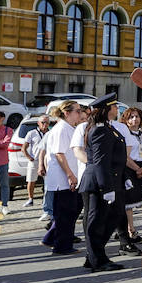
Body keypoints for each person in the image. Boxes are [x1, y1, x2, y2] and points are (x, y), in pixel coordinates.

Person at [75, 93, 127, 273]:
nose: (117, 109)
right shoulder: (99, 130)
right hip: (98, 183)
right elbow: (100, 162)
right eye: (114, 106)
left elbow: (115, 158)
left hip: (110, 179)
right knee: (96, 222)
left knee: (115, 215)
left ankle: (94, 255)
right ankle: (97, 259)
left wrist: (123, 178)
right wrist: (106, 188)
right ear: (107, 109)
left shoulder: (107, 127)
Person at [39, 101, 84, 255]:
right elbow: (59, 154)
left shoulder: (69, 128)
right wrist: (70, 175)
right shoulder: (61, 129)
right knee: (65, 214)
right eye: (77, 111)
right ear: (67, 113)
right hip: (62, 179)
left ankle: (51, 238)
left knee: (69, 212)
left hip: (68, 177)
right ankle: (62, 246)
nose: (80, 113)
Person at [112, 107, 142, 253]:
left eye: (137, 117)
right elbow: (125, 156)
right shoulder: (124, 134)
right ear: (125, 120)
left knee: (133, 203)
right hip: (130, 169)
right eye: (131, 117)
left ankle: (126, 229)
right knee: (127, 202)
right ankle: (130, 231)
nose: (134, 120)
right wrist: (136, 169)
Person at [22, 115, 49, 206]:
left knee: (48, 181)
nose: (45, 125)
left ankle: (46, 199)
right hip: (35, 160)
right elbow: (24, 148)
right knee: (31, 180)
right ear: (38, 123)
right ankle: (30, 199)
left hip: (47, 161)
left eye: (47, 123)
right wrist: (29, 157)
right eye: (43, 122)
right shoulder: (32, 133)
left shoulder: (50, 133)